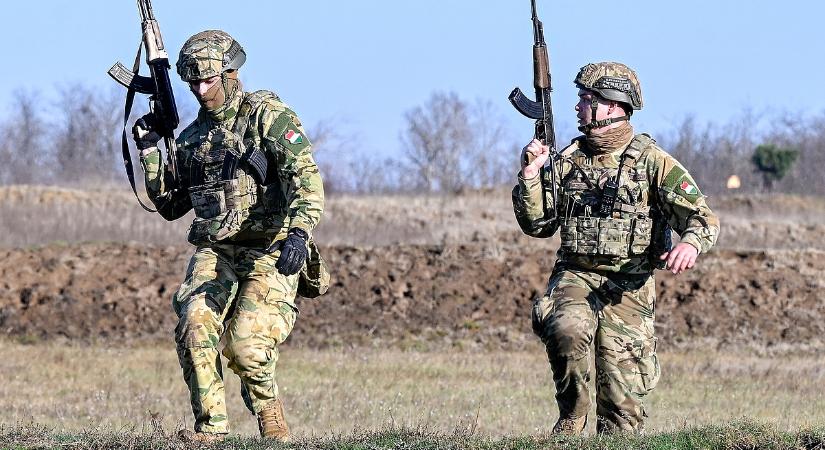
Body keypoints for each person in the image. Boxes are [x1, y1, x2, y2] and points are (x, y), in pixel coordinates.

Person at [132, 30, 325, 443]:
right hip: (217, 250)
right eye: (193, 83)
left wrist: (298, 233)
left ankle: (269, 411)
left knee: (245, 348)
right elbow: (170, 206)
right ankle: (211, 431)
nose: (201, 90)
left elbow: (306, 180)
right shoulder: (192, 140)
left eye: (209, 80)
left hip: (271, 248)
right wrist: (150, 151)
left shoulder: (267, 116)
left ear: (230, 73)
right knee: (194, 324)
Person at [512, 62, 719, 434]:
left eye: (586, 98)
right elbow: (538, 226)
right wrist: (530, 176)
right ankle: (572, 418)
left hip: (630, 286)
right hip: (576, 274)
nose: (578, 106)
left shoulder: (652, 161)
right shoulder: (567, 161)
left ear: (613, 105)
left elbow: (702, 217)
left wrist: (690, 244)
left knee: (622, 419)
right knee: (566, 327)